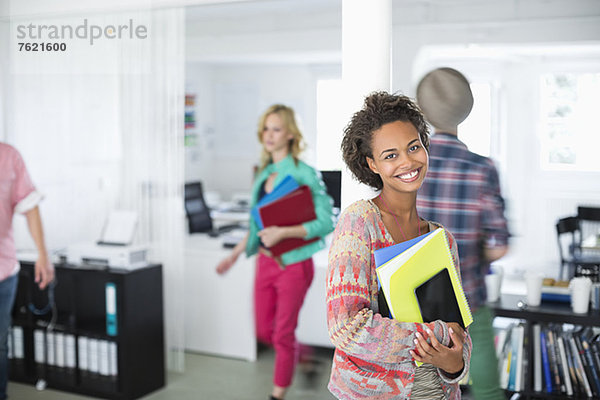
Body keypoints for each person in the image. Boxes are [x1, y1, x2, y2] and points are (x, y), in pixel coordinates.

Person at [326, 92, 472, 400]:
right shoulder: (359, 222)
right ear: (372, 164)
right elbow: (347, 327)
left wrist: (454, 362)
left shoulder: (442, 239)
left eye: (414, 147)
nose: (407, 162)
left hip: (438, 393)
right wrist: (438, 337)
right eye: (390, 155)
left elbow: (462, 333)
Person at [215, 104, 335, 400]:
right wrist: (234, 254)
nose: (269, 135)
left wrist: (285, 232)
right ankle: (306, 359)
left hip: (294, 264)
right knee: (263, 331)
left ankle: (276, 395)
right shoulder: (264, 172)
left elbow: (326, 221)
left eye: (276, 129)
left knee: (282, 334)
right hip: (265, 263)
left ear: (291, 134)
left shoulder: (305, 173)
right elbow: (256, 222)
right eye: (266, 128)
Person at [416, 67, 510, 400]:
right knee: (485, 376)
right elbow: (499, 246)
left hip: (415, 298)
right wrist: (469, 251)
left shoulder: (409, 166)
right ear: (467, 109)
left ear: (420, 111)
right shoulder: (482, 168)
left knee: (421, 382)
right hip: (467, 294)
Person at [1, 142, 54, 400]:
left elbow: (30, 207)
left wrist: (43, 254)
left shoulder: (9, 156)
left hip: (3, 271)